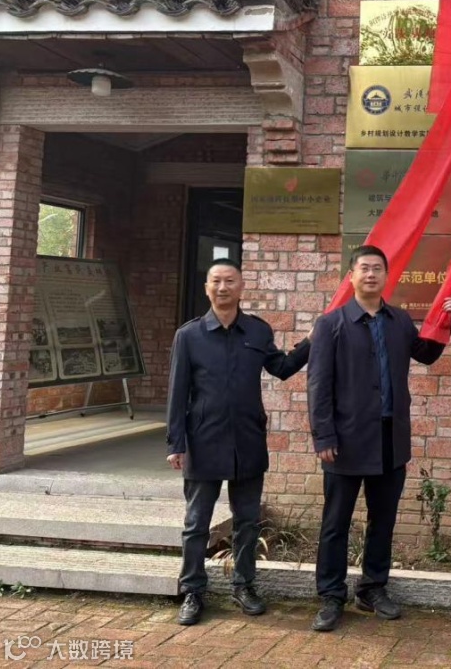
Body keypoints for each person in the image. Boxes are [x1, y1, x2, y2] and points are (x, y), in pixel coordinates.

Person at [308, 244, 451, 632]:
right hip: (345, 442)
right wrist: (324, 435)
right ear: (351, 277)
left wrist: (444, 322)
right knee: (335, 523)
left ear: (387, 276)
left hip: (390, 440)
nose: (371, 274)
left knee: (382, 520)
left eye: (377, 269)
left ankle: (372, 588)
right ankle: (331, 596)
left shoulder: (399, 321)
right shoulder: (331, 324)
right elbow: (318, 386)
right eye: (364, 268)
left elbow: (425, 354)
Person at [165, 258, 311, 626]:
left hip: (247, 439)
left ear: (242, 287)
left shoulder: (257, 331)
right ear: (207, 288)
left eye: (230, 281)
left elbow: (281, 368)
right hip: (203, 440)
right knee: (197, 523)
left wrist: (311, 342)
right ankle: (192, 591)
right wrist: (175, 443)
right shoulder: (189, 336)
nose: (223, 287)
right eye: (216, 281)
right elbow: (177, 392)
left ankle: (244, 586)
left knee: (247, 521)